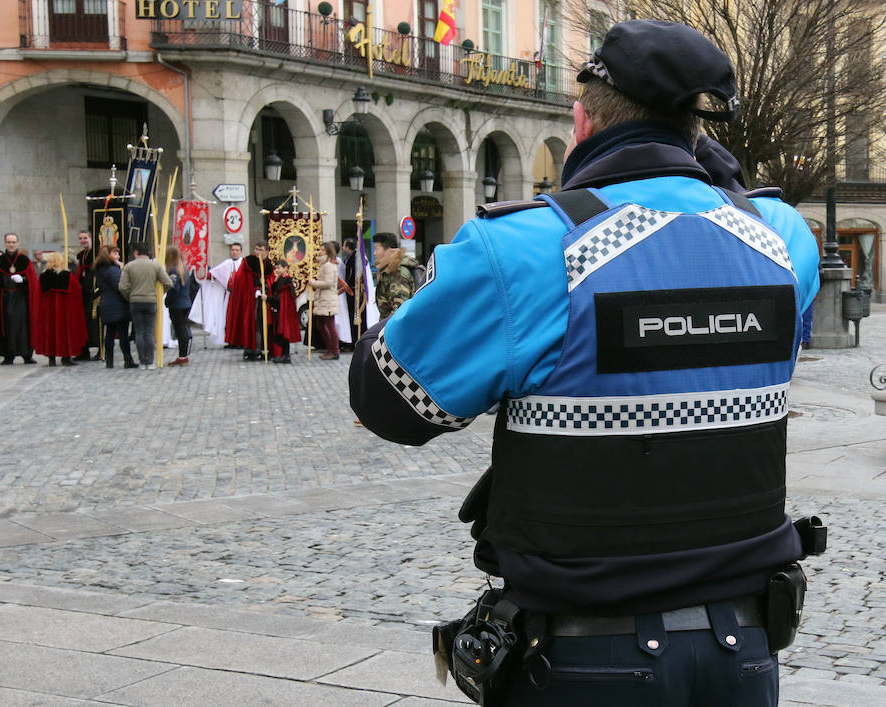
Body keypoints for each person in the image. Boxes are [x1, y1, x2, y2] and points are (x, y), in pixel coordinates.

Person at [350, 20, 822, 706]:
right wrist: (713, 176)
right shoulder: (782, 241)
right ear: (699, 128)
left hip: (581, 658)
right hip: (743, 651)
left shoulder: (527, 248)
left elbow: (385, 400)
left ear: (580, 119)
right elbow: (743, 226)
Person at [0, 233, 40, 365]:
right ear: (5, 243)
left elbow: (32, 282)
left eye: (13, 242)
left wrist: (23, 280)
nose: (11, 244)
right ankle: (8, 355)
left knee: (23, 326)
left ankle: (26, 354)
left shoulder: (24, 260)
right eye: (9, 242)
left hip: (21, 298)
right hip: (4, 299)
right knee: (7, 327)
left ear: (18, 243)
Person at [119, 242, 172, 369]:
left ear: (136, 252)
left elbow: (122, 286)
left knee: (139, 332)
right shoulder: (155, 266)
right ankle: (150, 361)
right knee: (149, 332)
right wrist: (159, 293)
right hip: (151, 300)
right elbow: (168, 282)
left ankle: (142, 361)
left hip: (135, 301)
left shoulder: (129, 266)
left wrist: (130, 296)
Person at [34, 251, 87, 367]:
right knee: (65, 331)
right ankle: (65, 357)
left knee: (50, 331)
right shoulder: (67, 276)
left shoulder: (43, 277)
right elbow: (76, 291)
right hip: (64, 311)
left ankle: (51, 358)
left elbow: (38, 295)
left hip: (48, 311)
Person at [225, 240, 274, 361]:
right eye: (256, 249)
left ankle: (263, 348)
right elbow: (240, 280)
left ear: (267, 251)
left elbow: (271, 280)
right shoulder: (248, 262)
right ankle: (251, 350)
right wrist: (254, 285)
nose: (257, 252)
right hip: (250, 299)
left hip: (264, 299)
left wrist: (266, 284)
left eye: (261, 250)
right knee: (252, 324)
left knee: (263, 324)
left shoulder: (268, 264)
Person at [94, 246, 137, 369]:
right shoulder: (112, 269)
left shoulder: (100, 268)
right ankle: (128, 359)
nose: (118, 256)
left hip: (106, 303)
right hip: (117, 304)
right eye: (115, 253)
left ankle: (109, 360)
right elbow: (120, 286)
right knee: (123, 333)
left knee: (110, 333)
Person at [262, 258, 301, 364]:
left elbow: (280, 298)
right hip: (279, 310)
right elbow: (274, 290)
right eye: (276, 268)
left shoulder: (286, 281)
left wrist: (267, 299)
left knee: (284, 334)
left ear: (285, 268)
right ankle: (284, 355)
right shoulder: (280, 279)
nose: (277, 270)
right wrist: (275, 280)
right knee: (280, 334)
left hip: (284, 311)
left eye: (279, 268)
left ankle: (286, 356)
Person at [372, 232, 417, 319]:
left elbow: (400, 312)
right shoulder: (389, 271)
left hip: (396, 329)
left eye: (376, 249)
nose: (374, 253)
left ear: (389, 250)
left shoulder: (398, 273)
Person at [309, 241, 339, 360]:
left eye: (322, 250)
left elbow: (329, 282)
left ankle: (334, 350)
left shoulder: (328, 265)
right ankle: (330, 348)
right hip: (323, 298)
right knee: (320, 324)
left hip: (328, 299)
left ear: (327, 251)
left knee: (329, 325)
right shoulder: (324, 265)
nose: (319, 251)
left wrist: (314, 283)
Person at [165, 246, 193, 366]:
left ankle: (182, 356)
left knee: (180, 330)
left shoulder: (173, 270)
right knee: (182, 329)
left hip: (177, 304)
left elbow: (173, 288)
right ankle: (183, 355)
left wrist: (167, 300)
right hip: (185, 302)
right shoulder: (184, 269)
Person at [74, 230, 100, 361]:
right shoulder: (81, 255)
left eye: (85, 238)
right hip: (83, 292)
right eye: (80, 238)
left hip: (95, 291)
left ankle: (101, 350)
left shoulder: (97, 253)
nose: (83, 240)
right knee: (83, 322)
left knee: (95, 322)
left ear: (90, 238)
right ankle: (84, 350)